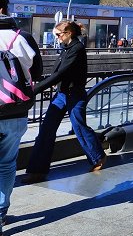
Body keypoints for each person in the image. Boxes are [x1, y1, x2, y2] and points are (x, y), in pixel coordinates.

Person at [24, 21, 107, 184]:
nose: (57, 37)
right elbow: (56, 73)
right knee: (47, 129)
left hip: (74, 94)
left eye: (58, 34)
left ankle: (98, 157)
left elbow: (60, 73)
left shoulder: (77, 49)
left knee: (79, 127)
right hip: (62, 94)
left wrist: (34, 90)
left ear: (69, 33)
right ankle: (37, 170)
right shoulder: (66, 49)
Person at [0, 0, 42, 236]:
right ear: (4, 9)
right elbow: (36, 72)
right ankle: (0, 213)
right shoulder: (22, 37)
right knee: (6, 165)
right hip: (15, 111)